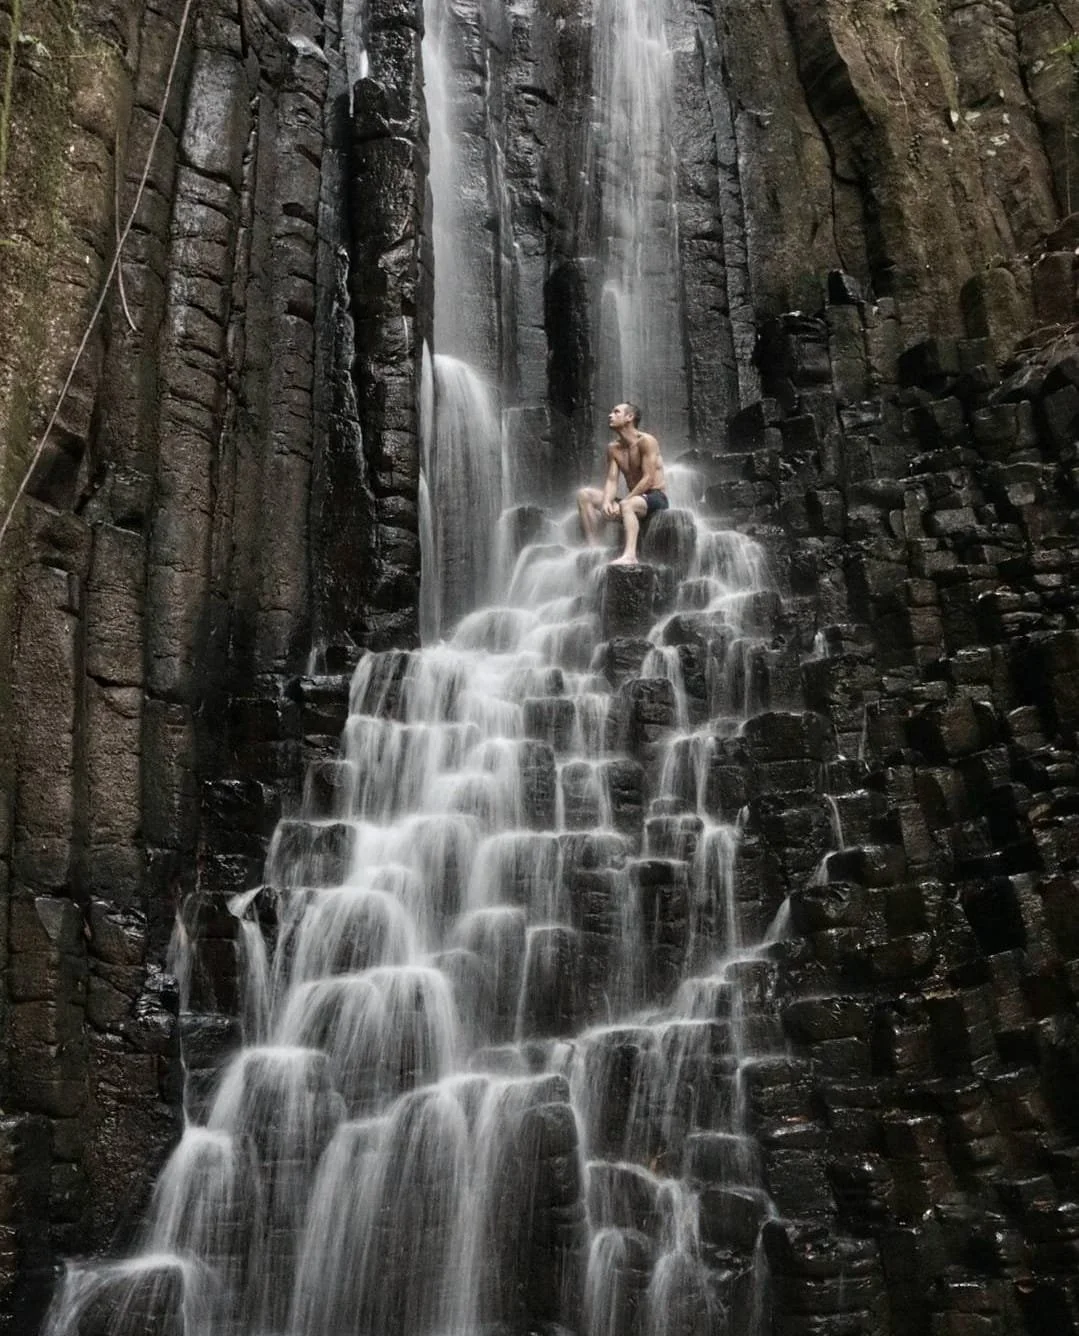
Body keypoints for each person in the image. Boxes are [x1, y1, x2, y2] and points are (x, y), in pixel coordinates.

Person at [576, 403, 669, 565]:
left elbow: (648, 478)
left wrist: (624, 502)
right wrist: (606, 502)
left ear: (629, 417)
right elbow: (612, 480)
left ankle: (630, 555)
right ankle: (594, 548)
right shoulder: (613, 448)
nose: (610, 415)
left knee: (627, 504)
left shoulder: (646, 441)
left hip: (655, 497)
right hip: (634, 499)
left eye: (616, 412)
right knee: (584, 495)